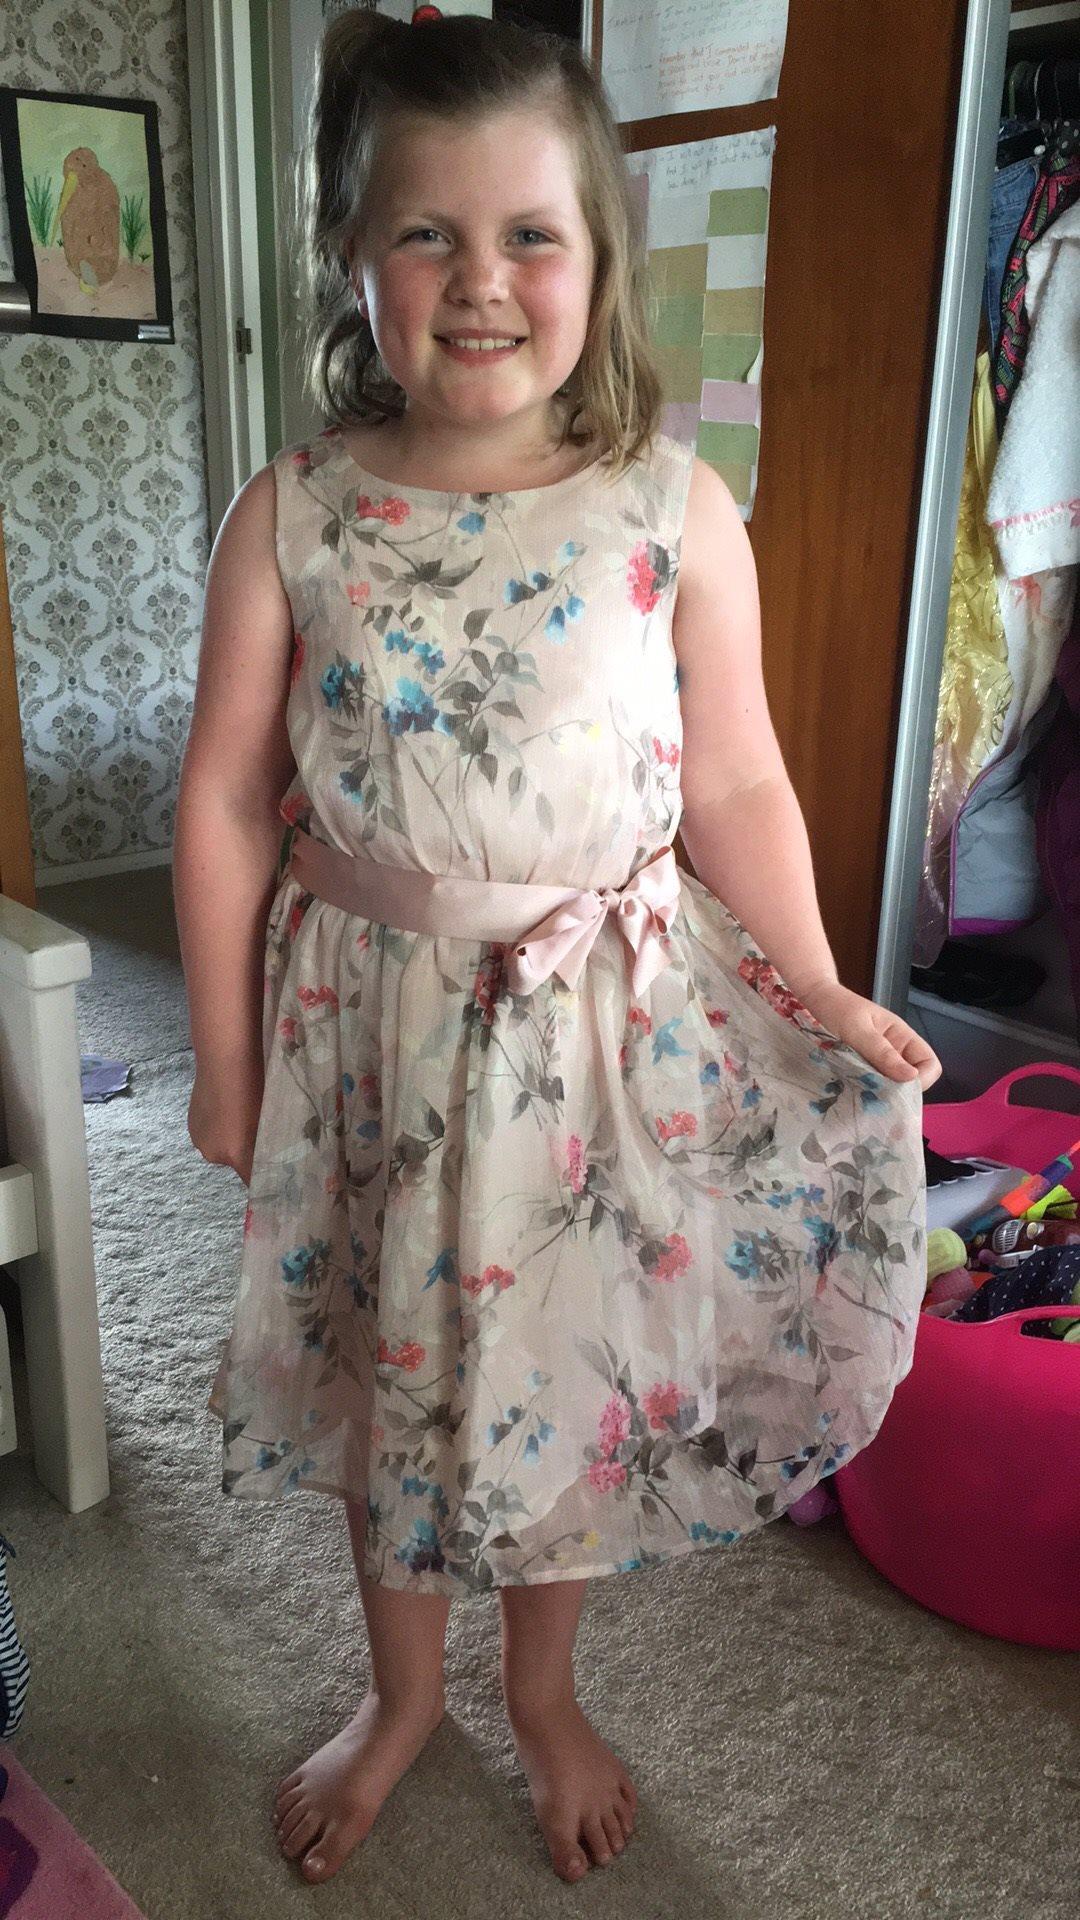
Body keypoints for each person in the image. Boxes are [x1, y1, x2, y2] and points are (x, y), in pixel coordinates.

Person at [173, 6, 941, 1893]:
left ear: (600, 255)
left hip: (598, 1031)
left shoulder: (674, 508)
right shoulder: (296, 512)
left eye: (531, 235)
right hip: (370, 1033)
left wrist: (823, 984)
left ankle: (543, 1695)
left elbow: (737, 780)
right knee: (392, 1378)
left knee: (563, 1374)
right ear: (353, 256)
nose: (481, 281)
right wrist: (221, 1059)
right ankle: (401, 1700)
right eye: (427, 234)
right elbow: (224, 801)